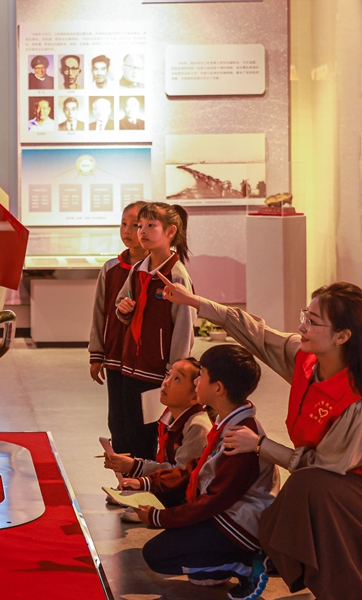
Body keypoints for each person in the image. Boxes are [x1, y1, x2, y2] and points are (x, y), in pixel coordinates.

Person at [157, 279, 362, 599]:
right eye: (304, 316)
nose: (302, 326)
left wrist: (259, 445)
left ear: (342, 336)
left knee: (308, 491)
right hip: (332, 484)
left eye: (313, 321)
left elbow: (322, 467)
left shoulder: (356, 400)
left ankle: (272, 564)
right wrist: (195, 302)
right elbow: (254, 331)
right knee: (312, 503)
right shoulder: (304, 358)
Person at [135, 345, 277, 599]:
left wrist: (160, 518)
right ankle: (227, 560)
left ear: (218, 389)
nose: (197, 381)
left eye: (202, 376)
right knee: (198, 573)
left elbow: (214, 500)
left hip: (238, 523)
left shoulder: (241, 434)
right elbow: (196, 469)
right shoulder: (229, 420)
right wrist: (145, 482)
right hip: (225, 512)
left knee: (157, 555)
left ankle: (247, 564)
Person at [113, 202, 195, 459]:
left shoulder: (176, 275)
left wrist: (174, 371)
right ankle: (129, 483)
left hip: (156, 371)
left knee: (147, 435)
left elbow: (184, 326)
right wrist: (123, 309)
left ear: (170, 232)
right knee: (127, 430)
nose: (142, 232)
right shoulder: (139, 270)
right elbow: (121, 303)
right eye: (140, 226)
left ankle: (146, 487)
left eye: (151, 226)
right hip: (131, 366)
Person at [107, 358, 212, 517]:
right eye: (168, 375)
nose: (166, 382)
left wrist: (137, 469)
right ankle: (141, 496)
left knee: (135, 506)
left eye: (177, 379)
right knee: (129, 490)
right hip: (171, 485)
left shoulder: (198, 426)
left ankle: (153, 504)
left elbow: (182, 474)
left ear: (195, 396)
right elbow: (165, 463)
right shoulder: (168, 416)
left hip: (186, 493)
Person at [88, 201, 147, 452]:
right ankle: (124, 479)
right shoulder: (111, 268)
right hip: (114, 358)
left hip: (145, 363)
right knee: (118, 421)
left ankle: (144, 479)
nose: (127, 231)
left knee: (143, 423)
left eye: (135, 225)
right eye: (124, 224)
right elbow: (99, 313)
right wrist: (96, 354)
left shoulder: (159, 270)